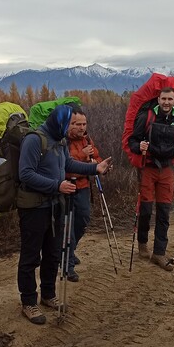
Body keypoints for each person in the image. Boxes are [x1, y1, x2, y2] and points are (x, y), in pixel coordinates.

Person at [17, 104, 112, 325]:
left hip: (55, 205)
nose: (73, 129)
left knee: (52, 253)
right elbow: (25, 174)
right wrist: (56, 186)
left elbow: (66, 163)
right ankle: (28, 302)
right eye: (70, 124)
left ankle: (48, 294)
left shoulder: (59, 139)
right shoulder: (34, 139)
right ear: (59, 121)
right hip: (34, 207)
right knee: (31, 256)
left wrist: (94, 168)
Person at [127, 86, 174, 271]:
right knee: (145, 210)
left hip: (167, 169)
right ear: (159, 99)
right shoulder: (147, 115)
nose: (166, 102)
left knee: (164, 212)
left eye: (170, 99)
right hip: (149, 167)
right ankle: (142, 244)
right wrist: (140, 147)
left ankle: (159, 253)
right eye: (163, 99)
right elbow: (133, 141)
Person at [64, 107, 104, 282]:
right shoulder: (61, 140)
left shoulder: (86, 139)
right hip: (65, 188)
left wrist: (97, 164)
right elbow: (65, 165)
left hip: (83, 187)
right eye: (76, 124)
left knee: (83, 221)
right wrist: (83, 156)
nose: (81, 127)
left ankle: (69, 252)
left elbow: (97, 159)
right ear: (67, 124)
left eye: (83, 124)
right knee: (67, 229)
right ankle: (67, 266)